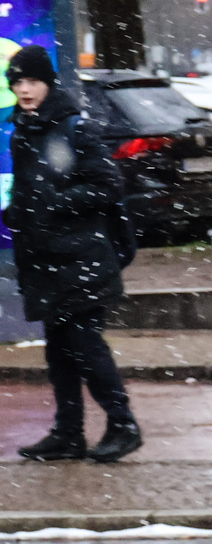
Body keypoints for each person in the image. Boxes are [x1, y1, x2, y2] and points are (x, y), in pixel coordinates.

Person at [6, 47, 141, 463]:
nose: (24, 90)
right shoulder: (22, 130)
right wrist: (19, 210)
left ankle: (123, 424)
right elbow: (33, 191)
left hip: (82, 259)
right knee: (59, 351)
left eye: (32, 81)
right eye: (17, 82)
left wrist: (55, 202)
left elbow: (107, 186)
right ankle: (68, 433)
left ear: (48, 83)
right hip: (46, 260)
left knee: (86, 347)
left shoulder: (72, 128)